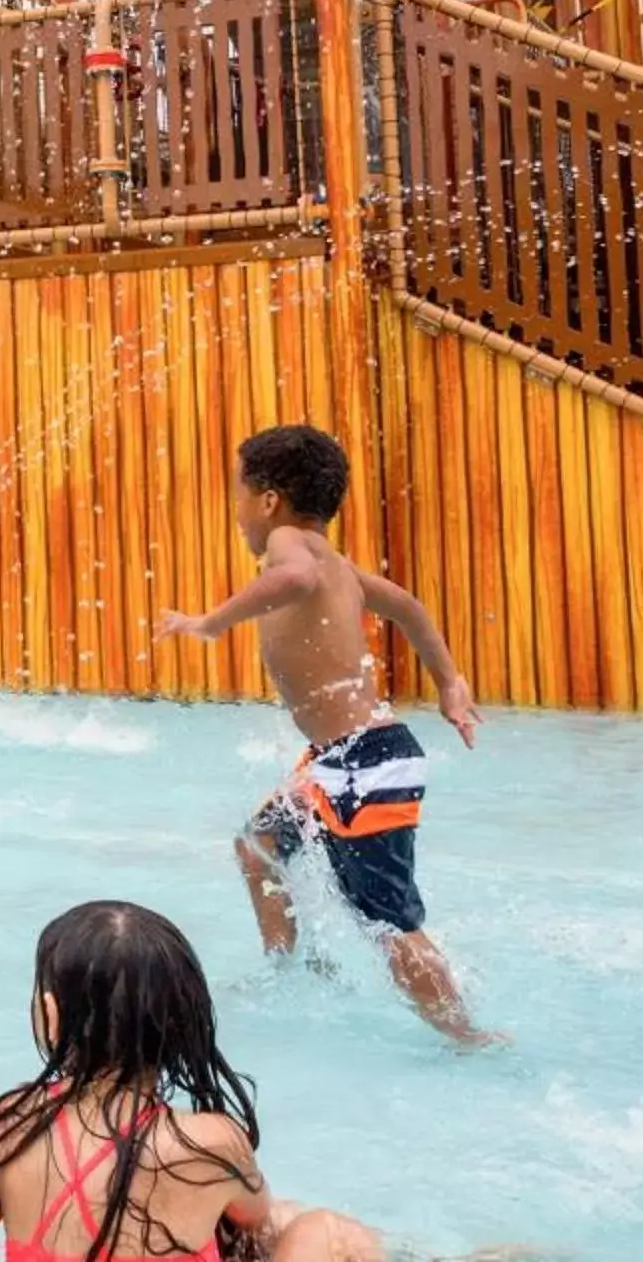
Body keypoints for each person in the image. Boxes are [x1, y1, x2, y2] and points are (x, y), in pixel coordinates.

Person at [157, 425, 494, 1047]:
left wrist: (211, 622)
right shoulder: (335, 560)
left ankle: (468, 1037)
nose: (236, 514)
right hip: (342, 760)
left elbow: (293, 583)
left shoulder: (290, 550)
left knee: (387, 923)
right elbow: (410, 609)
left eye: (238, 496)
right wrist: (449, 683)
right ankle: (291, 970)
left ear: (268, 501)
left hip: (362, 765)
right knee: (257, 844)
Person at [0, 899, 383, 1262]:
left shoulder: (15, 1120)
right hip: (224, 1189)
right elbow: (255, 1217)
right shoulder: (208, 1141)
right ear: (182, 1028)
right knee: (324, 1229)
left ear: (51, 1015)